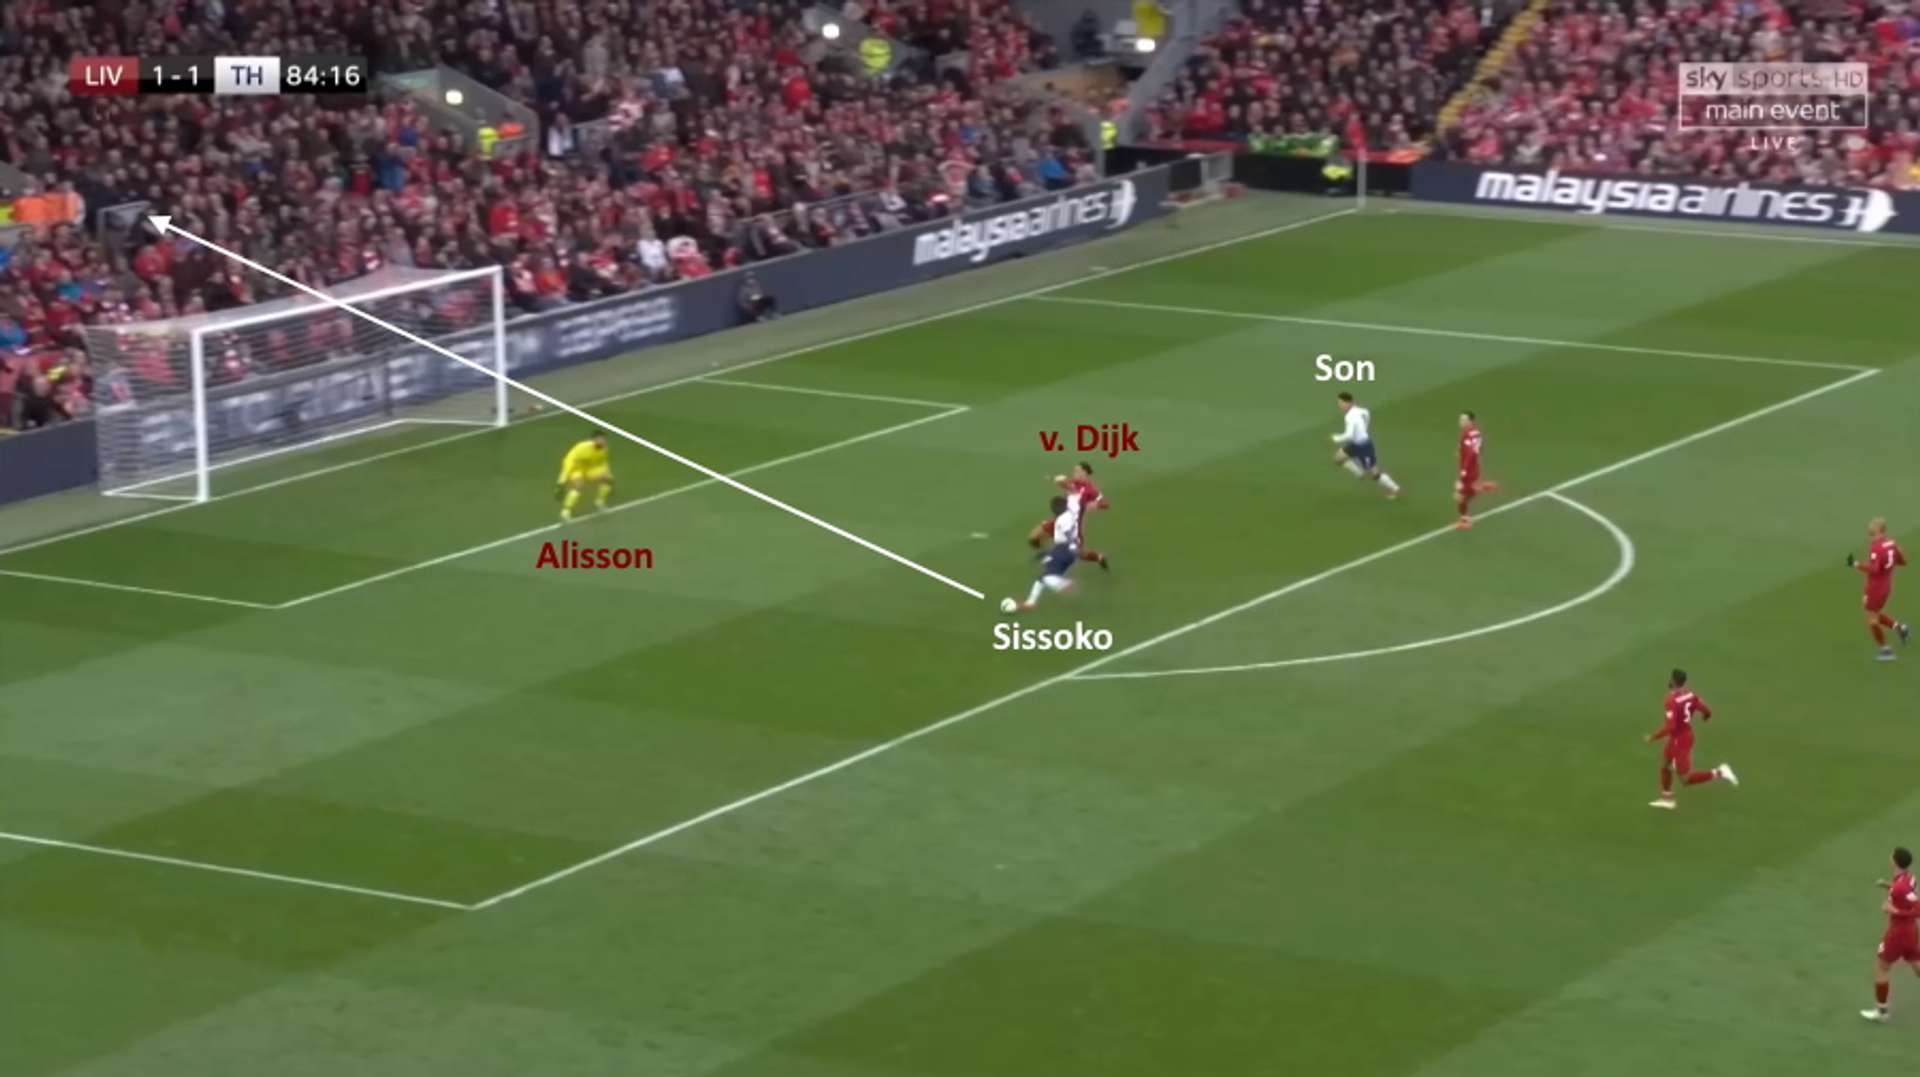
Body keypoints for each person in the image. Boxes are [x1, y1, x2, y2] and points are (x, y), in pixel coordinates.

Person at [1643, 668, 1737, 810]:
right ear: (1684, 682)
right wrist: (1706, 716)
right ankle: (1667, 799)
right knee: (1665, 764)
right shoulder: (1691, 695)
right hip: (1682, 736)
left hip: (1680, 741)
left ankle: (1720, 772)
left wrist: (1652, 737)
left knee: (1685, 779)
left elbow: (1670, 727)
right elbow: (1706, 710)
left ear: (1672, 681)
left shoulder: (1670, 701)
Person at [1864, 847, 1920, 1022]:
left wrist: (1894, 910)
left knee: (1881, 967)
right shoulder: (1908, 878)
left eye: (1892, 855)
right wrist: (1888, 885)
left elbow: (1918, 908)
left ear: (1894, 861)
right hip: (1911, 931)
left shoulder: (1900, 887)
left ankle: (1882, 1012)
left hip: (1899, 933)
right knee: (1916, 964)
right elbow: (1904, 892)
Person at [1848, 518, 1910, 661]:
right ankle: (1900, 628)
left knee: (1872, 621)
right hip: (1886, 586)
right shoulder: (1892, 544)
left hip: (1875, 588)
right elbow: (1903, 561)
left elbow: (1874, 569)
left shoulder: (1876, 547)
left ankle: (1886, 650)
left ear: (1877, 531)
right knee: (1874, 613)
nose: (1870, 534)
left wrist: (1856, 564)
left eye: (1871, 531)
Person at [1018, 493, 1082, 610]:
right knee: (1042, 577)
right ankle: (1030, 603)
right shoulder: (1069, 515)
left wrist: (1070, 546)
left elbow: (1067, 534)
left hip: (1064, 550)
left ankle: (1065, 584)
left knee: (1047, 577)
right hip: (1064, 550)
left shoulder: (1062, 519)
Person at [1330, 391, 1400, 498]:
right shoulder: (1363, 410)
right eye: (1338, 403)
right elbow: (1367, 417)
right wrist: (1363, 430)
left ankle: (1395, 489)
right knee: (1338, 458)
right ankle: (1359, 472)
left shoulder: (1349, 417)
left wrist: (1336, 438)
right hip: (1355, 444)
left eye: (1341, 403)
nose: (1339, 406)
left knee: (1374, 473)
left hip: (1364, 447)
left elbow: (1349, 435)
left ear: (1349, 403)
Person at [1051, 462, 1110, 569]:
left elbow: (1105, 504)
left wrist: (1096, 504)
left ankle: (1099, 557)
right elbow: (1067, 486)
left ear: (1084, 473)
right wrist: (1059, 481)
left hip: (1074, 524)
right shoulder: (1073, 482)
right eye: (1074, 471)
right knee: (1036, 537)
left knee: (1078, 553)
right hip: (1061, 519)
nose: (1074, 473)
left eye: (1077, 471)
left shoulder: (1091, 489)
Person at [1454, 410, 1499, 529]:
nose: (1461, 421)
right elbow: (1477, 449)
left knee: (1459, 496)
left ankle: (1465, 520)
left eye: (1464, 419)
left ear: (1471, 421)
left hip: (1468, 471)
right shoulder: (1475, 433)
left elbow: (1470, 454)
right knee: (1466, 491)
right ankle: (1480, 487)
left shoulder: (1468, 435)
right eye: (1461, 419)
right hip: (1473, 469)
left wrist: (1463, 474)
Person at [555, 430, 614, 522]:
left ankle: (599, 502)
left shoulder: (604, 449)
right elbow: (568, 462)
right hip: (575, 469)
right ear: (593, 440)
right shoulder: (581, 448)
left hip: (589, 469)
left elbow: (603, 463)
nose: (602, 441)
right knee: (579, 485)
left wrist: (607, 473)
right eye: (600, 439)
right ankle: (565, 511)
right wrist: (561, 481)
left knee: (607, 479)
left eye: (604, 439)